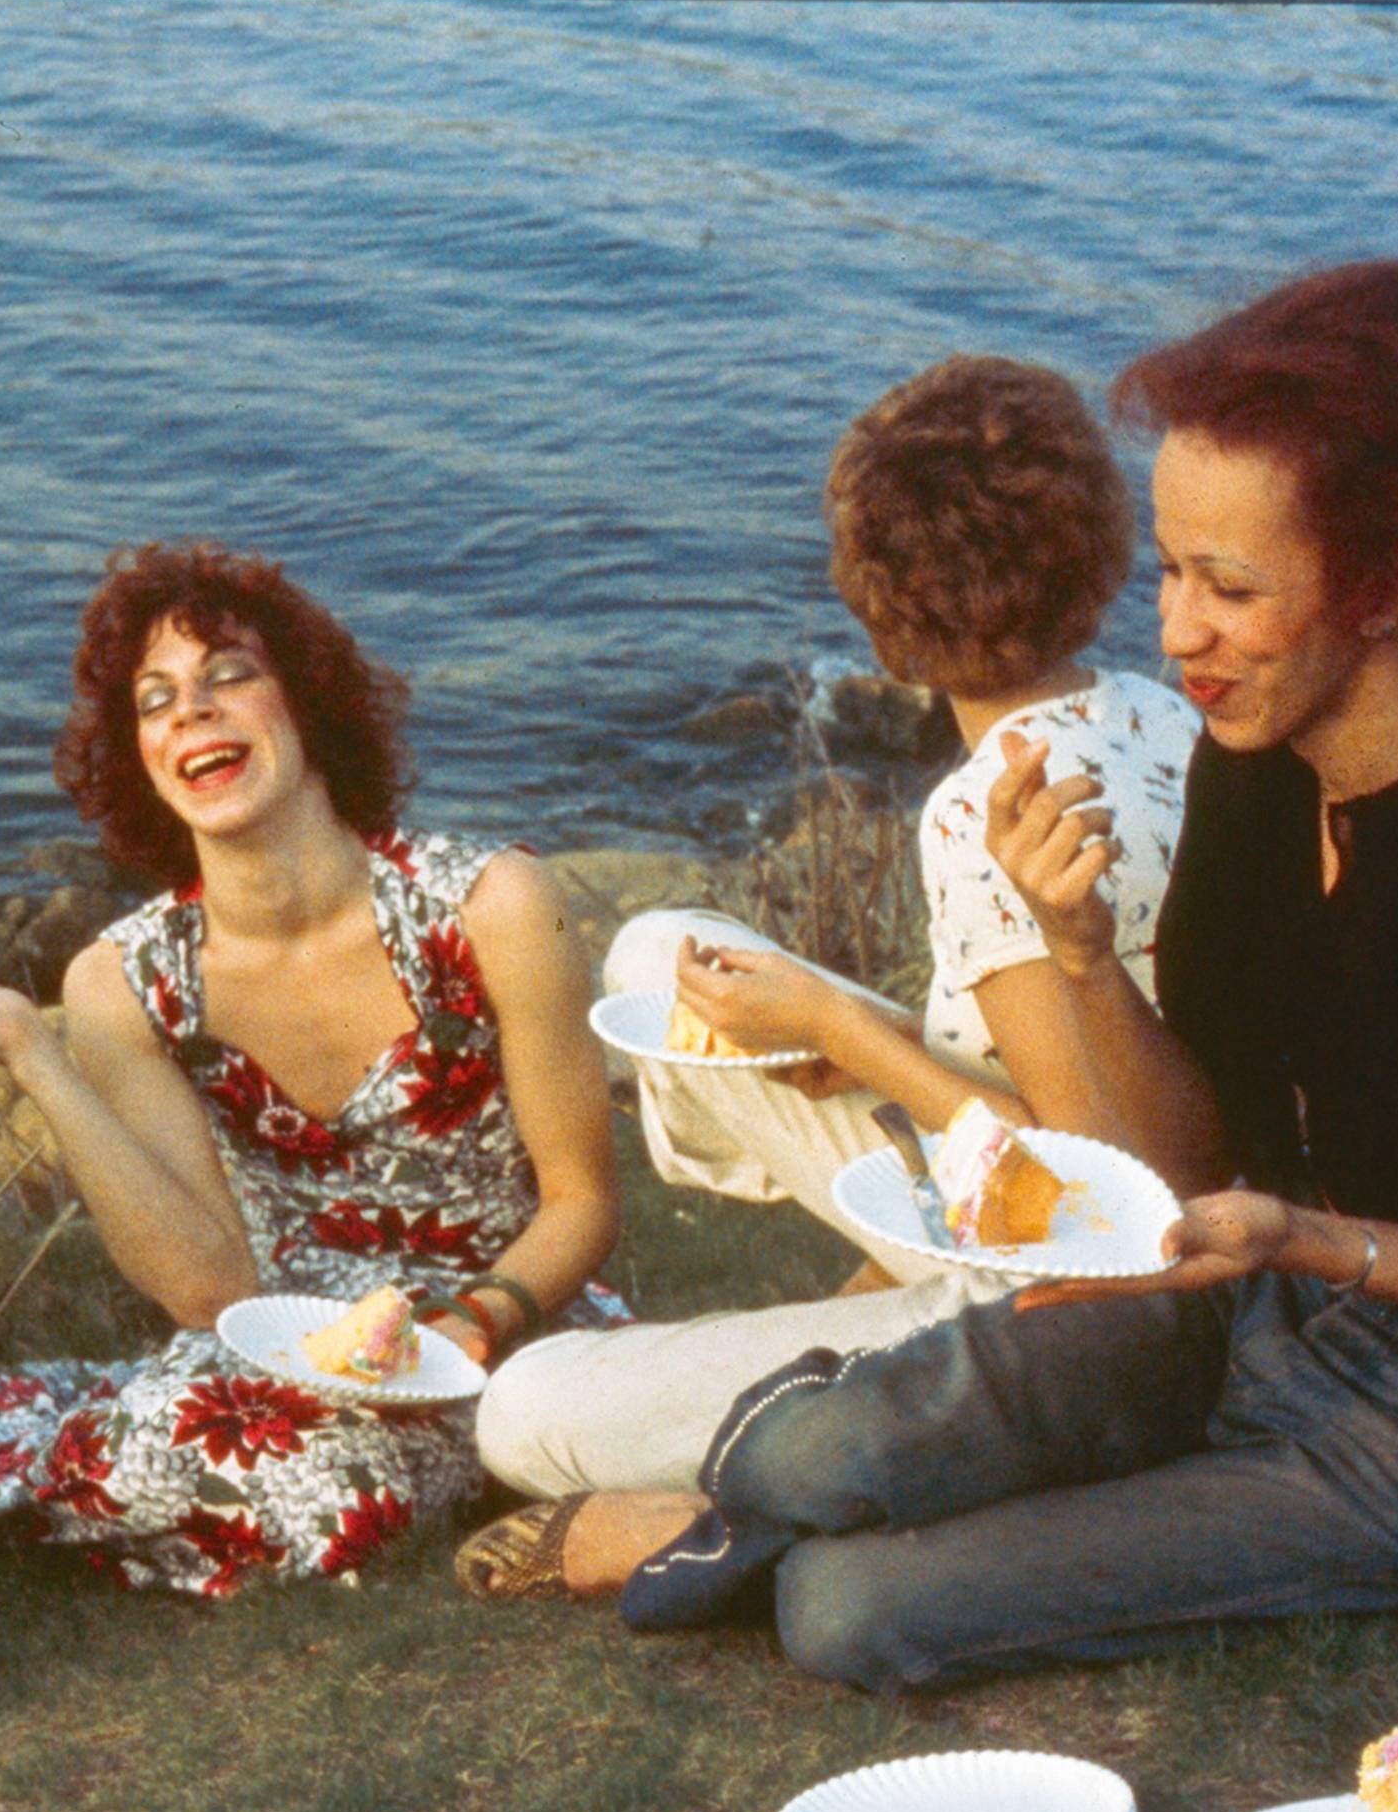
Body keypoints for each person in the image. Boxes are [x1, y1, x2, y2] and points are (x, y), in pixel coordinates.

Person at [590, 260, 1398, 1691]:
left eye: (1231, 587)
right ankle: (797, 1483)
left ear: (1388, 583)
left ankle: (809, 1524)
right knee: (813, 1447)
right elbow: (1179, 1155)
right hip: (1252, 1303)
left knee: (849, 1611)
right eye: (1168, 570)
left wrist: (1300, 1237)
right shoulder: (1250, 772)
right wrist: (1086, 955)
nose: (1175, 636)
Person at [466, 356, 1203, 1595]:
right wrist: (849, 1033)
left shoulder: (985, 811)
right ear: (1102, 545)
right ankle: (848, 1308)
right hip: (1096, 1181)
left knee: (523, 1410)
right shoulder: (1156, 713)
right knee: (664, 955)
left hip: (1073, 1287)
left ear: (885, 614)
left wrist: (839, 1029)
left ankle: (758, 1458)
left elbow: (1096, 1198)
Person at [0, 543, 623, 1593]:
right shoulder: (122, 981)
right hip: (280, 1357)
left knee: (317, 1493)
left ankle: (108, 1501)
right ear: (139, 756)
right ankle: (118, 1475)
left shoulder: (491, 905)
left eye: (231, 676)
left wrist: (474, 1322)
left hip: (511, 1321)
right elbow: (207, 1287)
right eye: (157, 700)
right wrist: (33, 1056)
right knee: (190, 1439)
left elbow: (584, 1200)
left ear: (308, 707)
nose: (193, 713)